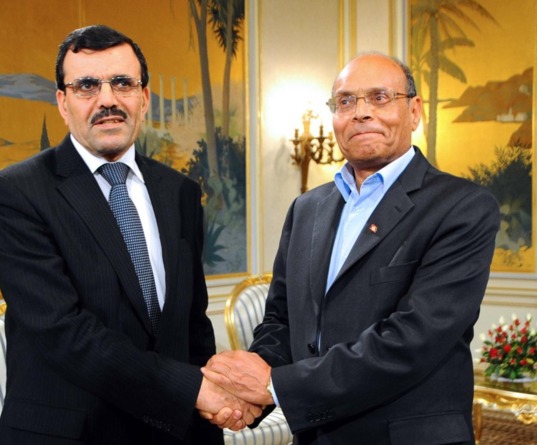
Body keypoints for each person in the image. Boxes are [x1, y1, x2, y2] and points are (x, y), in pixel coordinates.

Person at [202, 52, 501, 444]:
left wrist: (275, 386)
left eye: (379, 97)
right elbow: (281, 320)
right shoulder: (306, 208)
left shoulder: (462, 206)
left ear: (414, 111)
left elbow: (413, 339)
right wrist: (246, 395)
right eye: (345, 101)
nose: (361, 112)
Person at [0, 24, 259, 445]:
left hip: (173, 431)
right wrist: (195, 391)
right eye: (87, 86)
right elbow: (64, 332)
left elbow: (191, 324)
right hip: (71, 434)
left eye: (123, 83)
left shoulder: (180, 191)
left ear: (144, 98)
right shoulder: (16, 192)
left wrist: (214, 411)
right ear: (63, 102)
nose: (107, 100)